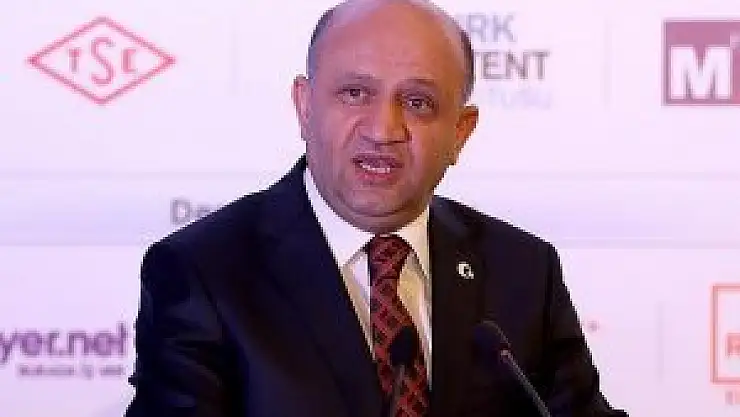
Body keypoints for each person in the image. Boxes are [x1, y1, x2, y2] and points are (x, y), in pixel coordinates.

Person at [124, 0, 627, 416]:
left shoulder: (523, 271)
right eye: (355, 93)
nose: (383, 129)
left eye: (418, 102)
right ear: (304, 106)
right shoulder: (204, 271)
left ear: (460, 132)